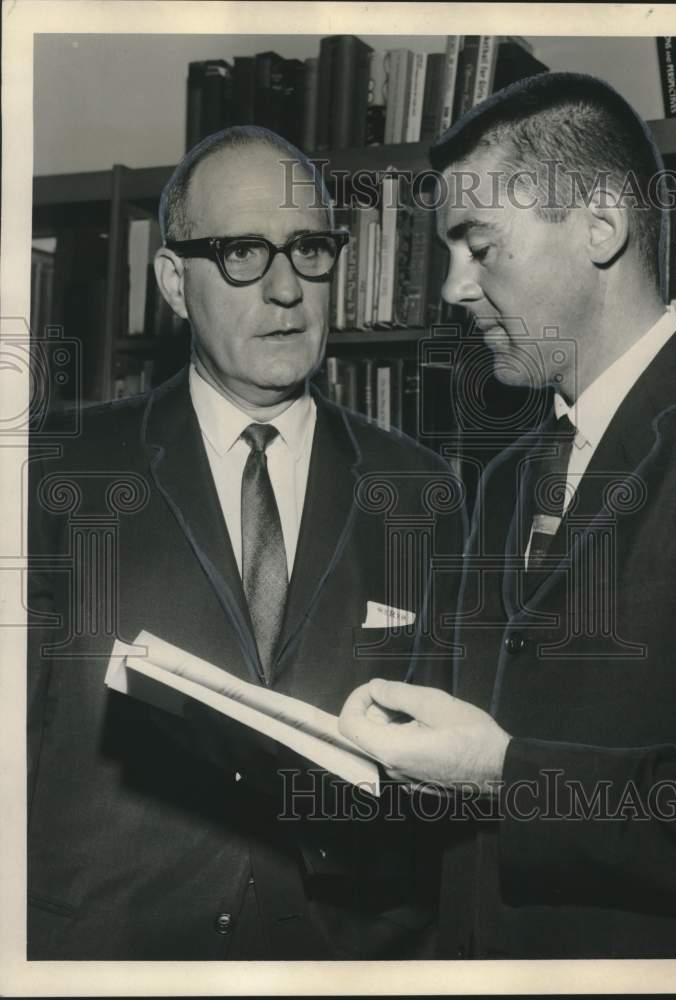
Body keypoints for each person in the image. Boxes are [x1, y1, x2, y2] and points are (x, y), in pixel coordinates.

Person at [26, 126, 464, 960]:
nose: (285, 288)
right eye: (240, 253)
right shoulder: (53, 468)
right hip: (110, 955)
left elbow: (436, 792)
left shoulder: (422, 490)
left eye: (309, 250)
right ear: (173, 283)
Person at [340, 73, 676, 959]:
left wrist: (503, 774)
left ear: (601, 225)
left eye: (478, 246)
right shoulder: (511, 479)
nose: (451, 287)